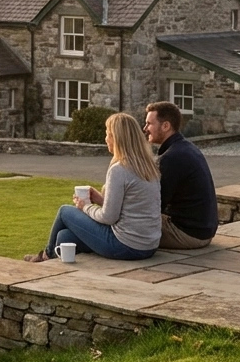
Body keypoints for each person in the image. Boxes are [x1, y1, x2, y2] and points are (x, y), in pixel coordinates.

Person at [25, 112, 162, 262]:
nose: (106, 139)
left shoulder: (120, 169)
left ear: (117, 138)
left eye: (108, 134)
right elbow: (131, 207)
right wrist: (102, 200)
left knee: (65, 211)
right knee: (64, 236)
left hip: (125, 245)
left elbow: (108, 217)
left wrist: (85, 207)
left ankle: (45, 256)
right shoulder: (148, 167)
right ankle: (55, 259)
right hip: (148, 246)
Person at [144, 101, 218, 249]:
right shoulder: (186, 148)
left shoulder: (171, 157)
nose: (145, 129)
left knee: (126, 227)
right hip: (203, 231)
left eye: (149, 124)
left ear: (165, 126)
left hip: (188, 234)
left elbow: (156, 204)